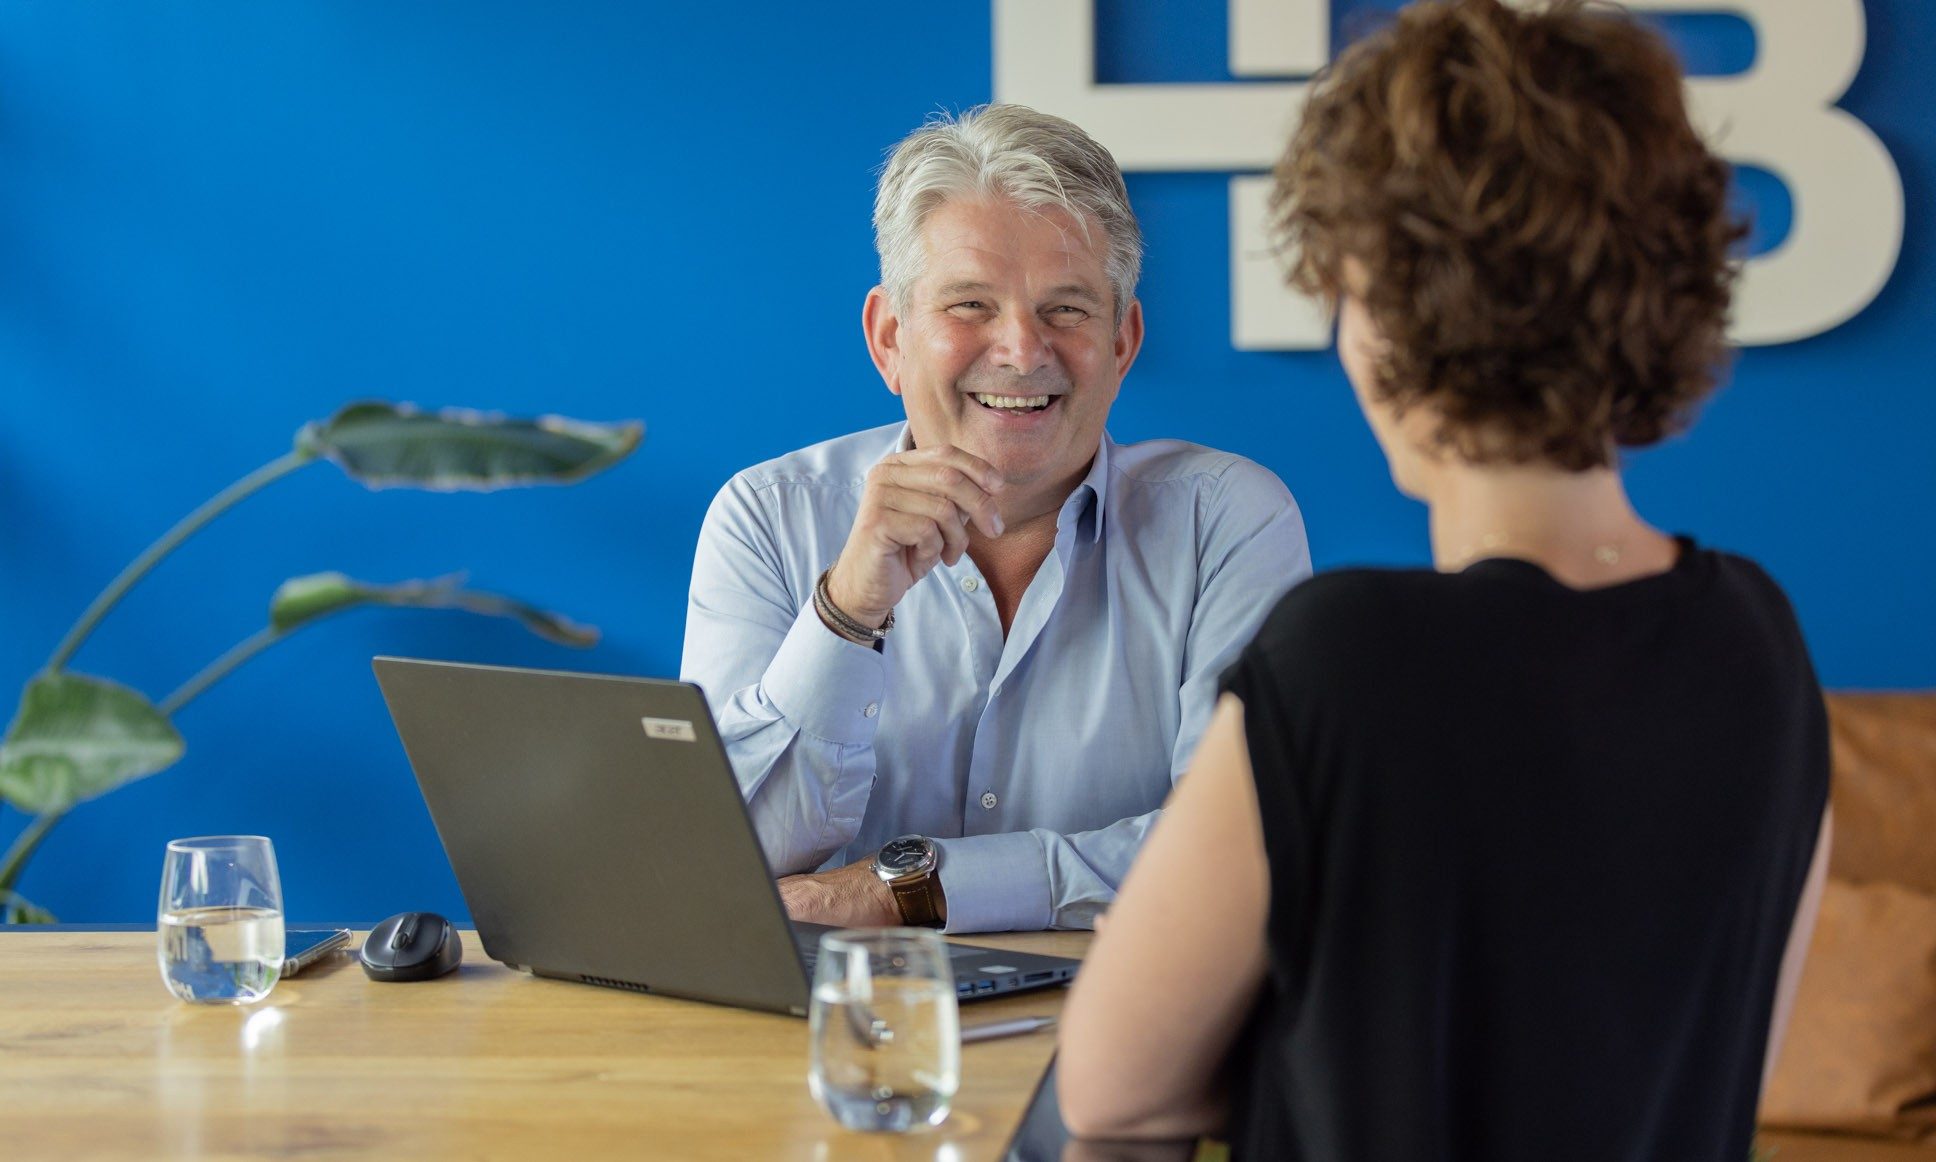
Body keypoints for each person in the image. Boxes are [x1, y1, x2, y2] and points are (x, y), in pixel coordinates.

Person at [1057, 1, 1832, 1157]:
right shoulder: (1759, 637)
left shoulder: (1346, 657)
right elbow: (1714, 1060)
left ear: (1385, 310)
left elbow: (1111, 1092)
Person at [680, 104, 1312, 935]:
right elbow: (721, 861)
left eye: (1067, 310)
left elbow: (1241, 849)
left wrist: (908, 889)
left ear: (1122, 343)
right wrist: (847, 611)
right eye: (971, 304)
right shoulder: (767, 518)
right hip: (836, 1012)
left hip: (1116, 1007)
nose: (1020, 350)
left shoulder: (1225, 523)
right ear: (889, 339)